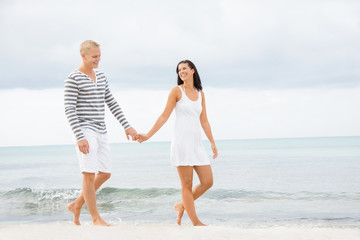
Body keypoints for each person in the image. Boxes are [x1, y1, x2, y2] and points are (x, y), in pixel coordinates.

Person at [64, 40, 138, 226]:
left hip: (101, 130)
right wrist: (80, 136)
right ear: (83, 55)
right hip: (84, 129)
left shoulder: (101, 75)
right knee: (88, 174)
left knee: (105, 173)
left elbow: (111, 102)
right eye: (95, 56)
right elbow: (69, 109)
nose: (98, 60)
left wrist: (126, 126)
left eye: (99, 56)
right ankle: (95, 218)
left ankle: (77, 204)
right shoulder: (73, 78)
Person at [137, 60, 218, 226]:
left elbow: (204, 121)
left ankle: (181, 205)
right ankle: (195, 221)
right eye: (179, 70)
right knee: (186, 185)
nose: (181, 72)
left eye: (184, 68)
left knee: (208, 181)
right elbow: (164, 116)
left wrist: (213, 142)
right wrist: (148, 135)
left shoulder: (200, 93)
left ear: (193, 70)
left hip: (197, 145)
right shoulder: (176, 91)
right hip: (181, 144)